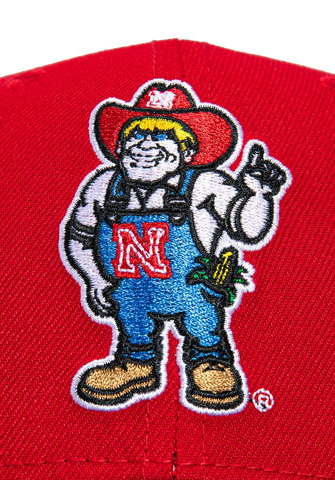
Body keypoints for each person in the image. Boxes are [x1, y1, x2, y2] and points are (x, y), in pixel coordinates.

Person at [60, 80, 291, 414]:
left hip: (190, 290)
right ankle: (136, 362)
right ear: (120, 146)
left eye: (160, 136)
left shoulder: (205, 184)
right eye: (137, 135)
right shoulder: (104, 186)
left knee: (201, 318)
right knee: (132, 315)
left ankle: (209, 359)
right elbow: (79, 237)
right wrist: (94, 278)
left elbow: (247, 229)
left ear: (187, 152)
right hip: (129, 290)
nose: (145, 145)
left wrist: (258, 193)